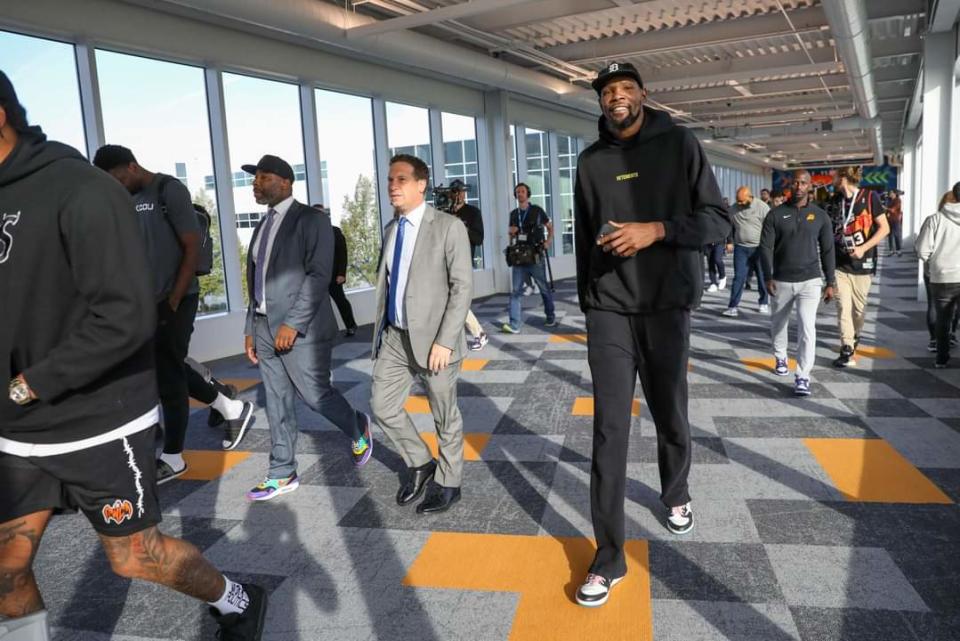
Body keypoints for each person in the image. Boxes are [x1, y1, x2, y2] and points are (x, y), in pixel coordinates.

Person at [0, 71, 267, 640]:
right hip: (17, 430)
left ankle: (237, 598)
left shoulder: (81, 191)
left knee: (134, 556)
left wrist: (28, 383)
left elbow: (124, 317)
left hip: (100, 422)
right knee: (6, 567)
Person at [573, 61, 731, 607]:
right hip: (610, 311)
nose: (616, 96)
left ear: (643, 93)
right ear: (601, 102)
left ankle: (676, 493)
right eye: (607, 91)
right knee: (608, 430)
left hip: (666, 306)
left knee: (670, 412)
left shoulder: (680, 144)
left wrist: (657, 229)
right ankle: (608, 558)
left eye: (624, 88)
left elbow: (718, 221)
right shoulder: (591, 161)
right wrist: (588, 303)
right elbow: (583, 235)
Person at [92, 146, 254, 480]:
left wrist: (175, 299)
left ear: (132, 166)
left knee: (168, 377)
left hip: (176, 299)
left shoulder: (169, 190)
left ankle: (174, 456)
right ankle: (230, 407)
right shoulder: (127, 199)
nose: (116, 187)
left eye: (117, 179)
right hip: (145, 302)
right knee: (166, 368)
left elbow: (191, 245)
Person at [242, 155, 373, 501]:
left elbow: (318, 276)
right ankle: (282, 472)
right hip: (264, 327)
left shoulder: (310, 220)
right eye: (254, 178)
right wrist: (250, 327)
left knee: (315, 396)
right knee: (276, 400)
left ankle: (357, 425)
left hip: (302, 329)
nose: (255, 183)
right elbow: (254, 281)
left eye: (262, 177)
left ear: (284, 182)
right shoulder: (261, 226)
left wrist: (293, 324)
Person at [369, 154, 472, 514]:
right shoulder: (391, 229)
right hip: (396, 336)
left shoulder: (447, 227)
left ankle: (449, 481)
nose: (392, 186)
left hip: (434, 339)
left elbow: (462, 287)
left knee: (444, 414)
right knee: (381, 404)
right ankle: (419, 461)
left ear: (421, 184)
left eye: (401, 179)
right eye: (389, 180)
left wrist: (445, 340)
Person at [760, 170, 836, 396]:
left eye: (803, 183)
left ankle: (803, 375)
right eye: (795, 183)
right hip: (781, 280)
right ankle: (781, 357)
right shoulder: (775, 215)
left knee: (807, 327)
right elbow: (765, 247)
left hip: (810, 281)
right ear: (789, 186)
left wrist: (830, 281)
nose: (799, 186)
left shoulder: (821, 216)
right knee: (779, 323)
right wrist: (767, 275)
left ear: (810, 187)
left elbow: (828, 250)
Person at [831, 167, 888, 368]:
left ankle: (855, 335)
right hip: (840, 264)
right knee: (842, 307)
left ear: (844, 178)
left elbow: (885, 228)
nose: (832, 179)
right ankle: (846, 347)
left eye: (835, 176)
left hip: (863, 264)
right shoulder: (835, 201)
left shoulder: (870, 197)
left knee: (858, 310)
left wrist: (863, 248)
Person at [916, 184, 960, 368]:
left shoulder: (935, 219)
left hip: (942, 277)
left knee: (943, 318)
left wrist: (933, 261)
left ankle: (942, 357)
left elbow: (922, 250)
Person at [502, 182, 556, 333]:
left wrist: (548, 242)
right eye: (517, 192)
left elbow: (550, 227)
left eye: (522, 191)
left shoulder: (537, 210)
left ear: (528, 194)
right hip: (519, 257)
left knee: (543, 287)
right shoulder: (514, 214)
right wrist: (511, 235)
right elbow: (512, 235)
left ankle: (550, 315)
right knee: (516, 291)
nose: (519, 194)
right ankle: (514, 324)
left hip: (535, 255)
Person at [448, 179, 489, 351]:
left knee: (458, 301)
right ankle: (474, 334)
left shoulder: (473, 212)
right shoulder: (444, 212)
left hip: (463, 262)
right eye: (455, 191)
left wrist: (462, 228)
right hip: (444, 262)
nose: (459, 194)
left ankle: (478, 333)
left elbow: (479, 239)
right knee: (451, 301)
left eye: (461, 191)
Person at [723, 186, 770, 316]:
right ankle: (733, 306)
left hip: (759, 248)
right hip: (741, 248)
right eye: (738, 201)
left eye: (742, 201)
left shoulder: (762, 207)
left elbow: (770, 227)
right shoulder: (733, 209)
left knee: (761, 277)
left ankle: (763, 302)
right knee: (739, 277)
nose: (740, 204)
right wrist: (730, 241)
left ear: (750, 197)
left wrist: (769, 246)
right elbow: (728, 226)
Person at [312, 203, 358, 337]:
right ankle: (326, 331)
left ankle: (351, 325)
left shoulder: (335, 231)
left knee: (340, 301)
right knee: (320, 306)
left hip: (334, 276)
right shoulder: (310, 234)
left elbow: (342, 254)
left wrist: (341, 274)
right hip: (317, 276)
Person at [885, 190, 903, 256]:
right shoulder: (889, 201)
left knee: (896, 235)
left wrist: (885, 208)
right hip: (889, 220)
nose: (889, 194)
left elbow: (893, 210)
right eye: (889, 193)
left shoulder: (898, 200)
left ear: (894, 194)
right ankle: (891, 250)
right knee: (890, 235)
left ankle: (898, 250)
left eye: (890, 193)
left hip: (895, 220)